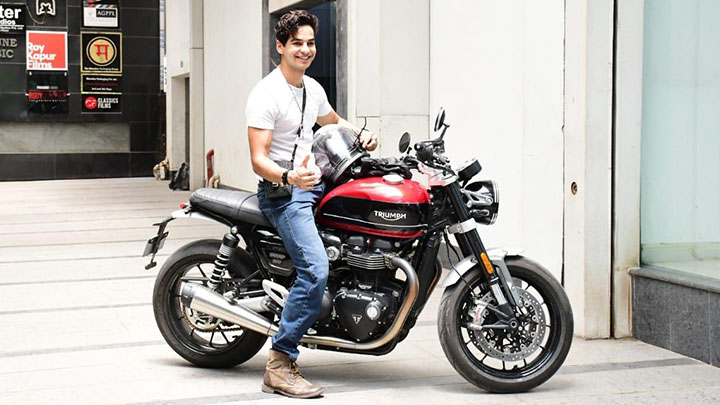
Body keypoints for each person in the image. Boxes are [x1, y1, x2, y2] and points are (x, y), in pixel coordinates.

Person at [246, 9, 377, 399]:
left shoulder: (311, 89)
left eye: (310, 43)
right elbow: (258, 158)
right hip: (284, 192)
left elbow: (333, 121)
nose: (305, 50)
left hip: (317, 182)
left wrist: (362, 134)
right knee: (316, 269)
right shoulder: (266, 94)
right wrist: (289, 178)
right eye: (297, 43)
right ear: (280, 47)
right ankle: (280, 363)